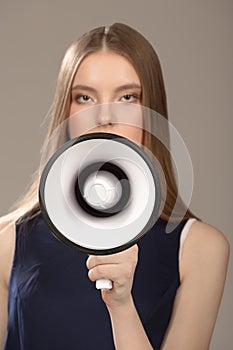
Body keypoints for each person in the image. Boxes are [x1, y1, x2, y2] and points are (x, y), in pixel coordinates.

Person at [0, 23, 230, 350]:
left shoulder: (200, 249)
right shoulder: (7, 241)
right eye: (84, 97)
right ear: (66, 113)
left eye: (126, 97)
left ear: (151, 113)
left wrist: (121, 306)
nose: (104, 116)